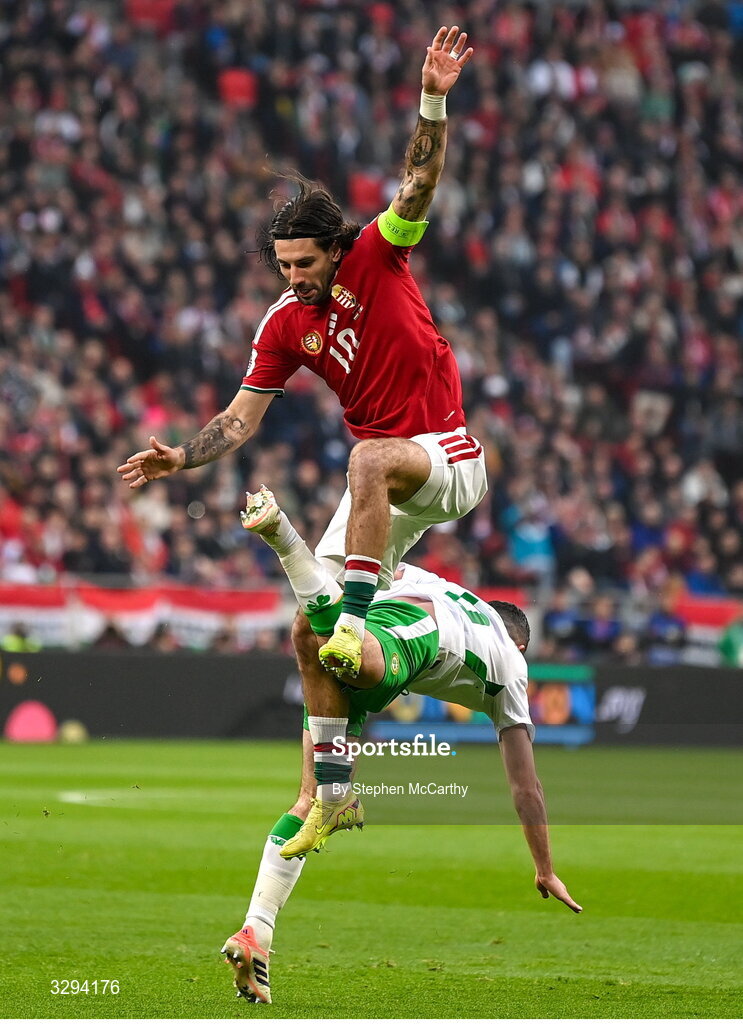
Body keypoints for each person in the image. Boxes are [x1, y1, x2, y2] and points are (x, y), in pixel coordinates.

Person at [117, 25, 486, 682]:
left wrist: (432, 100)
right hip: (381, 482)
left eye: (304, 262)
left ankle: (360, 621)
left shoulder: (376, 255)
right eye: (283, 265)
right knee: (306, 628)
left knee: (364, 469)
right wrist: (180, 456)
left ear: (335, 250)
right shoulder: (284, 323)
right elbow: (238, 419)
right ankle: (325, 785)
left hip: (443, 454)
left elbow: (419, 181)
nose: (292, 276)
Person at [221, 487, 582, 1004]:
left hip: (363, 618)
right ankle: (282, 534)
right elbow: (528, 788)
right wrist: (544, 867)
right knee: (356, 661)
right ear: (519, 642)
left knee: (310, 798)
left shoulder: (442, 584)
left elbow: (368, 568)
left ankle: (257, 930)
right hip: (410, 640)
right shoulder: (512, 660)